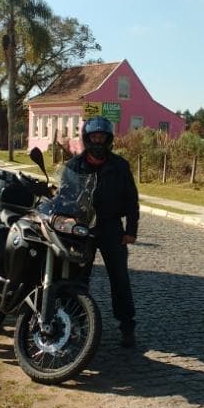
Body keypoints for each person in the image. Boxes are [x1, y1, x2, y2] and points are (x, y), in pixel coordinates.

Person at [67, 116, 140, 348]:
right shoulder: (74, 166)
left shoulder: (120, 166)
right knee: (77, 278)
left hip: (111, 229)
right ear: (86, 139)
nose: (98, 141)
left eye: (102, 137)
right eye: (94, 137)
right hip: (82, 229)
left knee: (119, 278)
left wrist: (131, 230)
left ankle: (127, 326)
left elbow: (132, 200)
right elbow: (63, 196)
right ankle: (76, 321)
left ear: (109, 139)